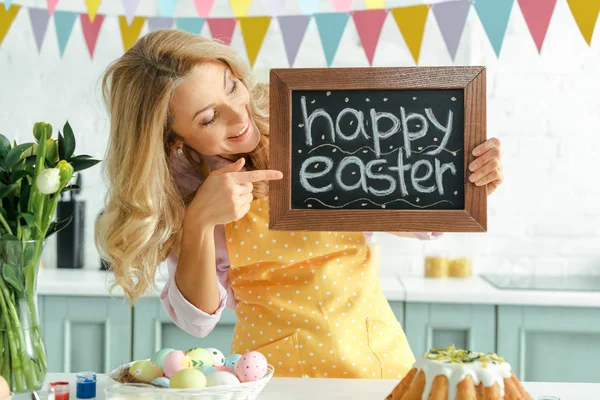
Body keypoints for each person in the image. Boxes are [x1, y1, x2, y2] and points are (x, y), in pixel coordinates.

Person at [95, 30, 503, 380]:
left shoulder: (307, 122)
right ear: (174, 140)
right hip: (279, 377)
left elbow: (415, 215)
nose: (238, 117)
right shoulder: (185, 188)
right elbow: (196, 321)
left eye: (232, 87)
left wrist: (468, 178)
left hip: (377, 362)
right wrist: (199, 222)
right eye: (208, 119)